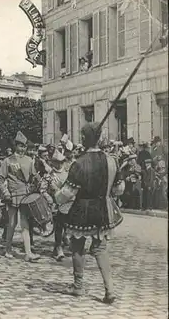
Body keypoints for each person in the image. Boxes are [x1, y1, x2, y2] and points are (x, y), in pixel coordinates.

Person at [55, 122, 124, 304]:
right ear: (100, 138)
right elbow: (120, 190)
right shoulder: (112, 160)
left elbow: (67, 194)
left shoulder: (78, 163)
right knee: (100, 248)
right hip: (103, 209)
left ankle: (78, 286)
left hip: (81, 211)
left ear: (85, 139)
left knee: (77, 245)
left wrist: (55, 194)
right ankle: (110, 290)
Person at [0, 131, 41, 262]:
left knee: (25, 223)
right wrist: (5, 192)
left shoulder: (30, 160)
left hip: (25, 195)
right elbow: (0, 179)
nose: (23, 148)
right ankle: (7, 249)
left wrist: (39, 181)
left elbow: (34, 177)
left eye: (24, 146)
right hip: (12, 195)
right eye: (20, 146)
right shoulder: (8, 160)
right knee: (12, 223)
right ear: (15, 146)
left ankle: (28, 252)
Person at [40, 149, 71, 261]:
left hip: (68, 203)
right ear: (52, 162)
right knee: (58, 226)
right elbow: (42, 189)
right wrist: (49, 198)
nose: (59, 164)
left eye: (61, 162)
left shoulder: (68, 173)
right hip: (55, 204)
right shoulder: (49, 175)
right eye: (56, 162)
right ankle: (58, 247)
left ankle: (64, 239)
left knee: (68, 225)